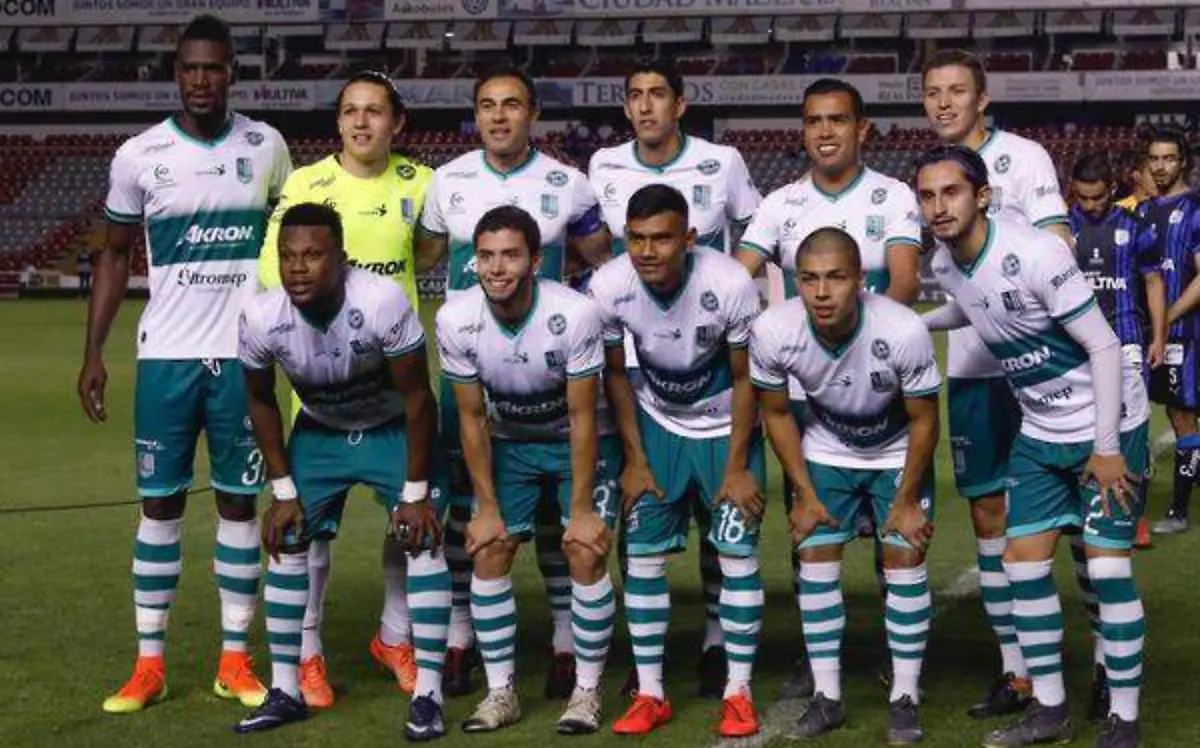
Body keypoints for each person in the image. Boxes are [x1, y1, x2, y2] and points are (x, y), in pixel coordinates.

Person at [78, 14, 291, 715]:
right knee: (160, 505)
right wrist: (94, 353)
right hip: (165, 356)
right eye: (190, 68)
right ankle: (149, 666)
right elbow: (112, 255)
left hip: (243, 361)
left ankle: (235, 660)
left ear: (234, 70)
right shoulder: (139, 155)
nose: (202, 79)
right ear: (177, 72)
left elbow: (295, 242)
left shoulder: (268, 148)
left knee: (239, 502)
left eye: (215, 67)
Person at [918, 145, 1149, 748]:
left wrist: (1106, 448)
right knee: (1021, 565)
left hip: (1109, 421)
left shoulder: (1035, 253)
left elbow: (1101, 345)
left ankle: (1124, 718)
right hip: (1042, 429)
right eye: (928, 195)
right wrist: (910, 323)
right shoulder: (945, 263)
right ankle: (1050, 710)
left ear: (983, 196)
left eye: (952, 192)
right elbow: (972, 307)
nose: (939, 207)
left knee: (1105, 567)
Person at [415, 65, 610, 699]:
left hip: (548, 377)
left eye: (513, 105)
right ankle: (458, 636)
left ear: (533, 114)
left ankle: (562, 642)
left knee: (556, 515)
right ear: (475, 115)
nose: (499, 117)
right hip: (472, 374)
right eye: (488, 106)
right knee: (465, 511)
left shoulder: (568, 184)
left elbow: (604, 261)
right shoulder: (448, 182)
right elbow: (418, 260)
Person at [233, 202, 451, 739]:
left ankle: (429, 694)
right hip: (321, 429)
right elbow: (261, 402)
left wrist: (416, 492)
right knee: (287, 535)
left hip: (391, 426)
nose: (298, 267)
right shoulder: (261, 317)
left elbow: (420, 397)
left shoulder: (380, 301)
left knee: (422, 537)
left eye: (312, 255)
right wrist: (282, 489)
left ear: (343, 259)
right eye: (288, 257)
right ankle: (286, 689)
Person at [736, 78, 923, 695]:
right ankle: (818, 663)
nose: (824, 131)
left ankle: (894, 655)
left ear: (861, 128)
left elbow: (902, 284)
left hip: (874, 375)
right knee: (810, 523)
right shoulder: (781, 204)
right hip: (802, 384)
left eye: (837, 119)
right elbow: (743, 280)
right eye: (814, 120)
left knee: (887, 532)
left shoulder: (892, 196)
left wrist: (858, 351)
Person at [257, 70, 435, 708]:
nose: (362, 123)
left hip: (396, 385)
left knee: (408, 519)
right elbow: (275, 283)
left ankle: (395, 635)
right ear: (337, 123)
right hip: (323, 393)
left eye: (375, 112)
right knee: (311, 532)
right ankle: (307, 656)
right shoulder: (308, 187)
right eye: (350, 112)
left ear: (398, 123)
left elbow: (432, 254)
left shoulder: (422, 185)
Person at [587, 57, 763, 697]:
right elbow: (594, 245)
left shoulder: (723, 162)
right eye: (634, 95)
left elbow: (757, 232)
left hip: (709, 347)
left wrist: (720, 295)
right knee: (648, 530)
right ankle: (648, 673)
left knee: (726, 531)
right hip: (643, 372)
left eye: (657, 94)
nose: (645, 105)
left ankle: (720, 645)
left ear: (680, 103)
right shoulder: (603, 167)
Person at [921, 48, 1070, 719]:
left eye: (957, 91)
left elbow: (1058, 242)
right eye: (933, 93)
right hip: (975, 370)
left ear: (983, 98)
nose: (945, 103)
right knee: (987, 513)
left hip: (1037, 365)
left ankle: (1089, 665)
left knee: (1067, 520)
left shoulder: (1025, 157)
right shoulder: (929, 180)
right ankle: (1016, 670)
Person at [750, 227, 940, 744]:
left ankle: (904, 697)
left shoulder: (902, 330)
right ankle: (828, 697)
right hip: (826, 448)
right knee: (815, 557)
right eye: (808, 279)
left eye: (835, 278)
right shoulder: (773, 330)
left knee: (903, 556)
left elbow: (925, 420)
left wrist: (905, 502)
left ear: (860, 280)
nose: (821, 291)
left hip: (897, 448)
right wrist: (804, 493)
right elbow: (775, 413)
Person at [437, 206, 620, 735]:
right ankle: (501, 694)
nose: (496, 268)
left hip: (576, 440)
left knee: (584, 549)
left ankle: (585, 692)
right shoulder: (456, 319)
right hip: (511, 442)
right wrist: (486, 507)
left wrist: (582, 509)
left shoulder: (575, 314)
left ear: (536, 261)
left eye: (511, 255)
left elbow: (584, 413)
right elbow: (471, 418)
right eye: (487, 256)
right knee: (490, 546)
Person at [1070, 153, 1164, 555]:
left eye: (1097, 197)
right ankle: (1084, 502)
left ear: (1112, 188)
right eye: (1082, 198)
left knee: (1131, 432)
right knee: (1082, 424)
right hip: (1075, 345)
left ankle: (1133, 514)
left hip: (1125, 341)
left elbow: (1154, 282)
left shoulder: (1135, 226)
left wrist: (1157, 336)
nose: (1090, 206)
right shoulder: (1063, 227)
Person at [1135, 128, 1200, 535]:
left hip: (1187, 334)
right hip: (1150, 335)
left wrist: (1169, 317)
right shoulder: (1141, 213)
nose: (1160, 166)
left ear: (1184, 162)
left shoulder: (1194, 209)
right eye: (1154, 158)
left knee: (1182, 416)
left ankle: (1178, 510)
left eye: (1169, 158)